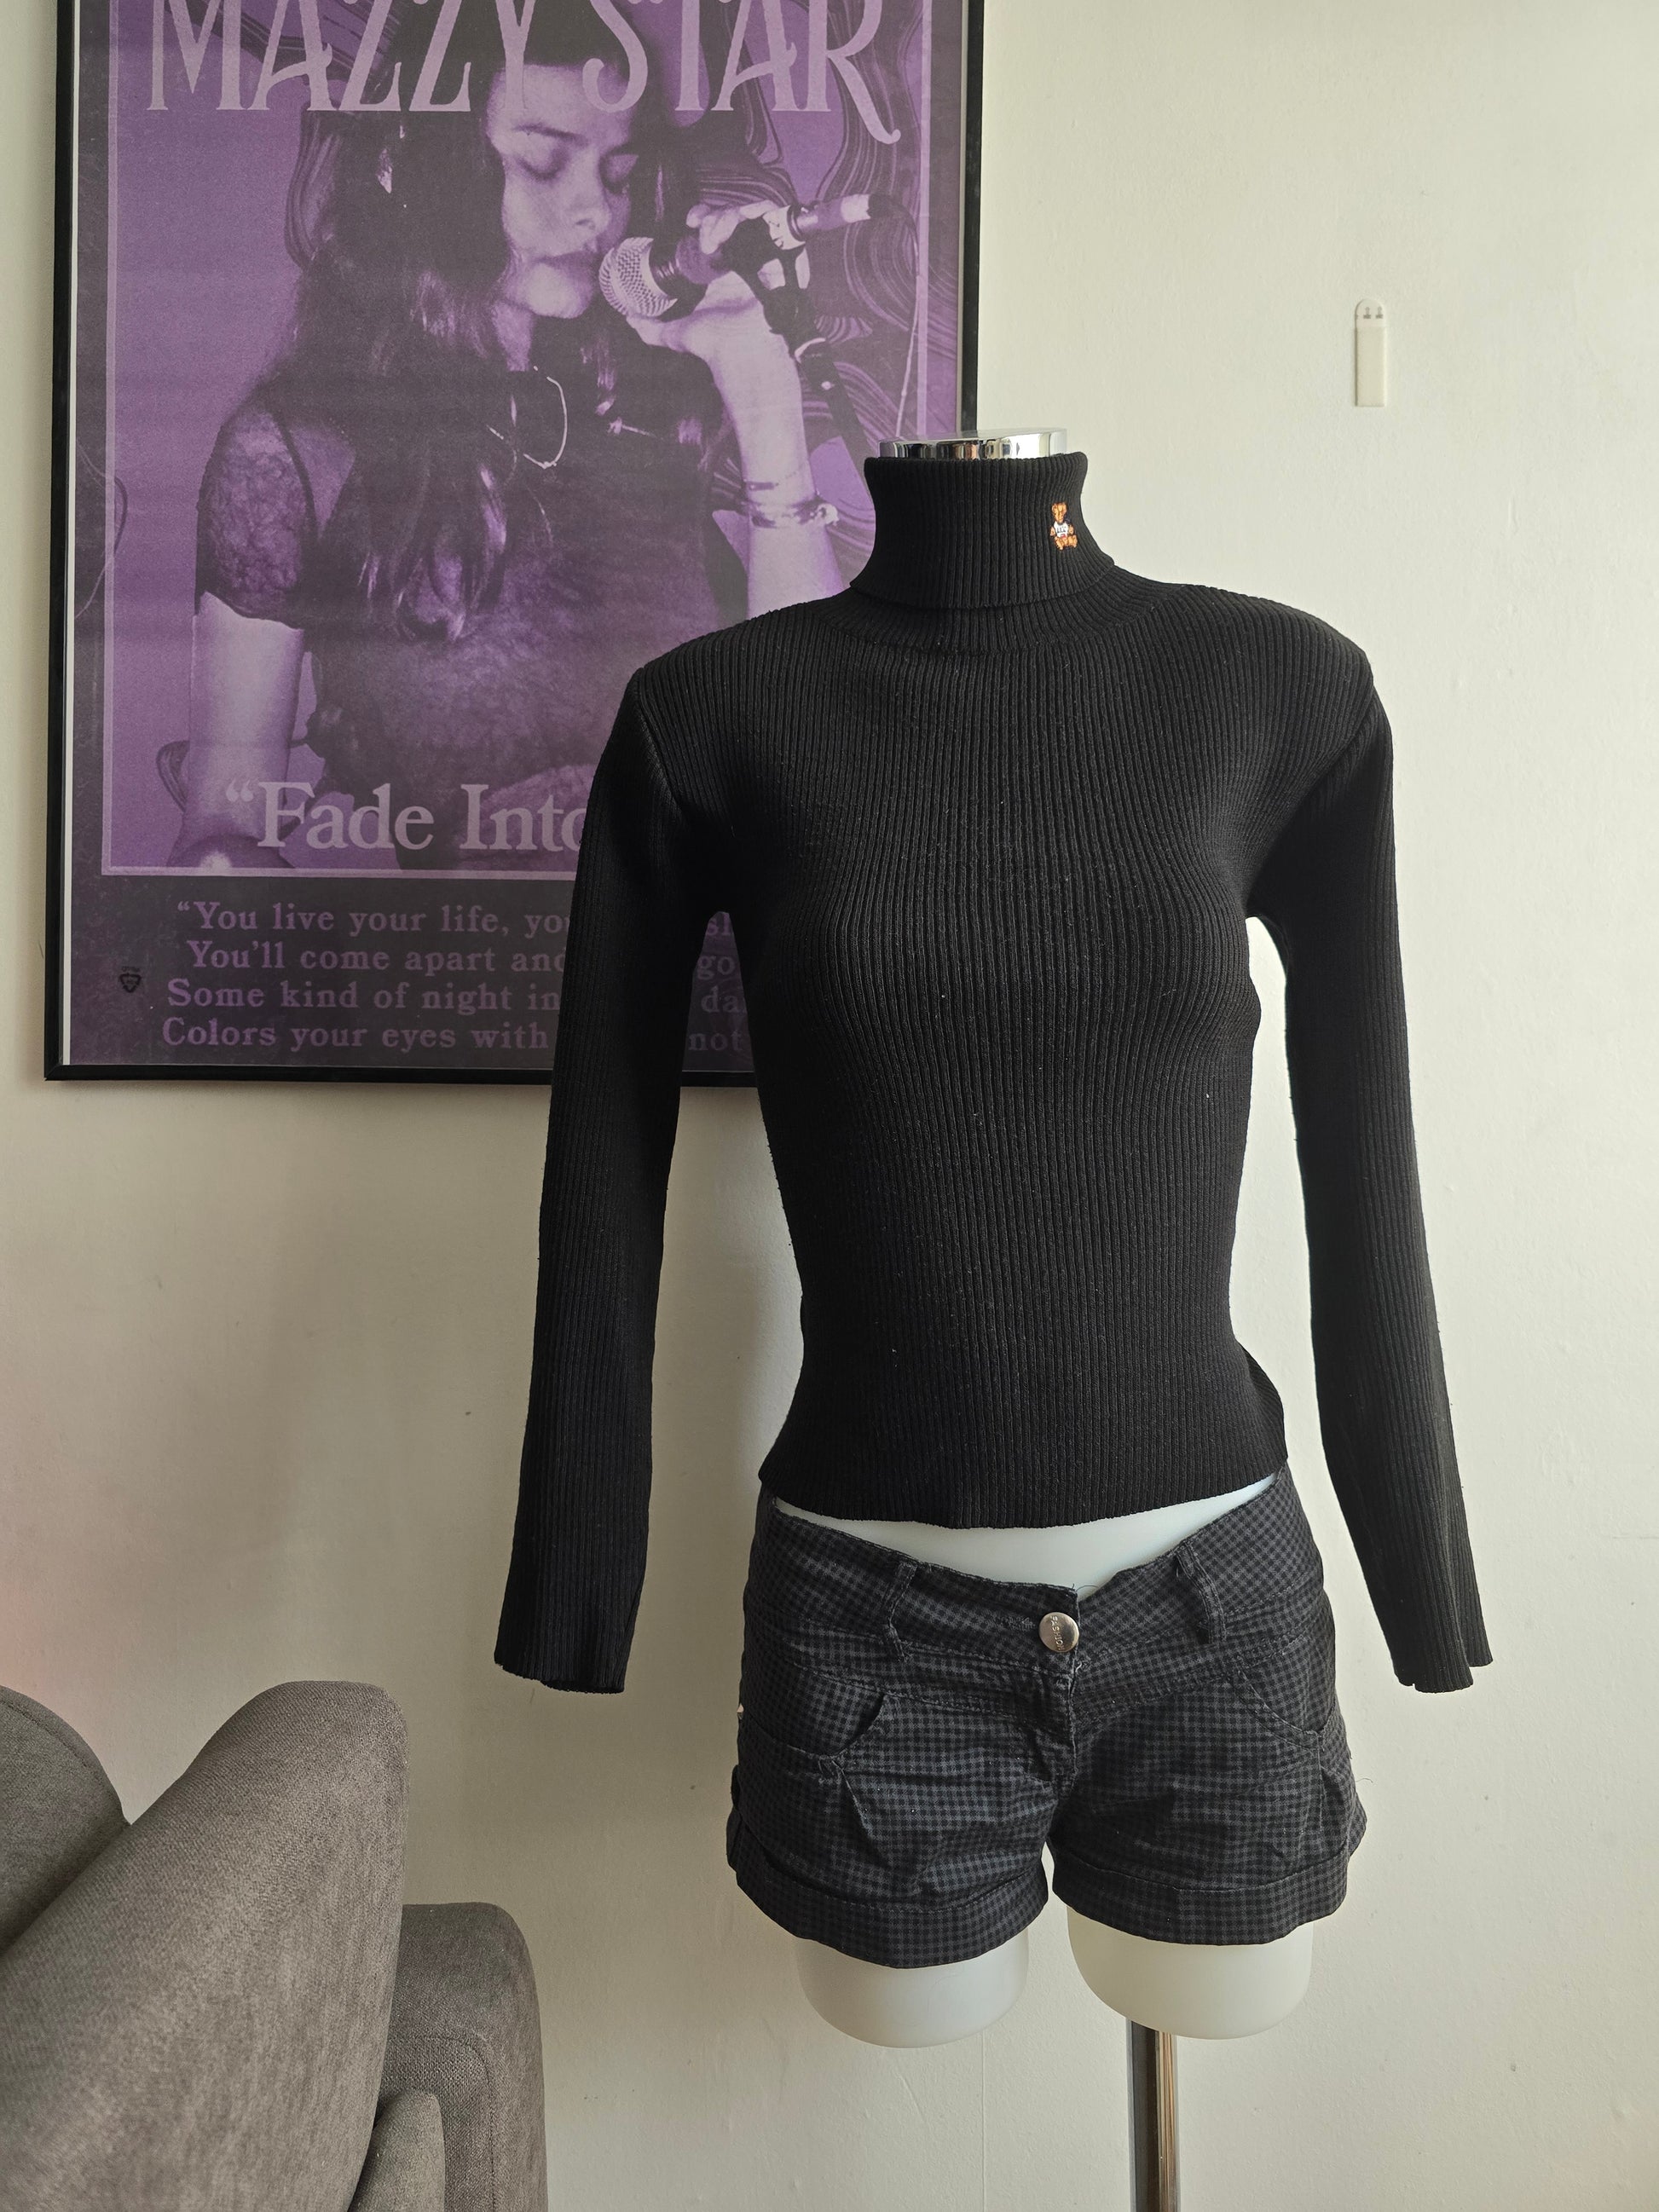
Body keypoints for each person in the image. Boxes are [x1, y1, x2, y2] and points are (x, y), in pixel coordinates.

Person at [171, 2, 845, 874]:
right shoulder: (299, 451)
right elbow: (222, 837)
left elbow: (815, 764)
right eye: (542, 163)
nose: (594, 212)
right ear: (408, 165)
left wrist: (760, 386)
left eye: (616, 174)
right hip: (467, 953)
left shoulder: (660, 410)